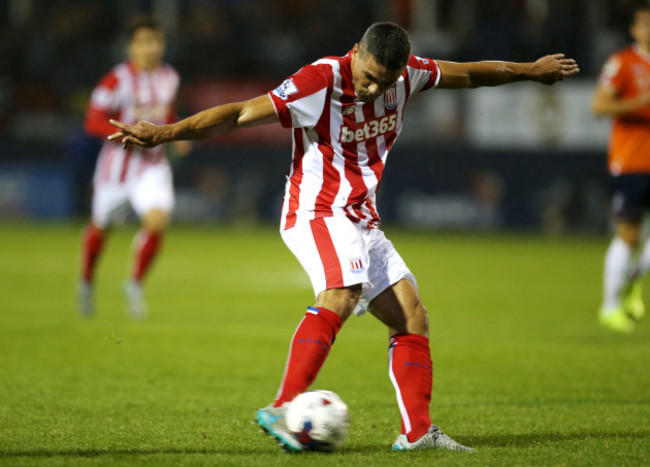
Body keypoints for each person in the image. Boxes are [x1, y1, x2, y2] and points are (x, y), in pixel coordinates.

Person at [108, 22, 579, 452]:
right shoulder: (320, 80)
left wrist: (529, 71)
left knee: (412, 315)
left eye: (384, 81)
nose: (374, 87)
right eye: (369, 76)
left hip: (360, 216)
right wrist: (167, 133)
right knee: (341, 290)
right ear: (355, 52)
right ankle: (283, 405)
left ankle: (417, 434)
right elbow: (238, 114)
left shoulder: (409, 74)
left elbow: (470, 74)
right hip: (314, 210)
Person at [78, 16, 191, 319]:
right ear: (131, 46)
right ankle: (86, 282)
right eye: (144, 42)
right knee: (102, 226)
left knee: (157, 222)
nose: (151, 48)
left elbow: (166, 108)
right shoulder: (115, 80)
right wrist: (124, 132)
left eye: (155, 41)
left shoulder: (170, 76)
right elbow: (92, 120)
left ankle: (134, 283)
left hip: (153, 167)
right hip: (117, 168)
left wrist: (176, 133)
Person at [593, 3, 650, 333]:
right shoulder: (622, 63)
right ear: (634, 29)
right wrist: (640, 102)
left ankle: (630, 282)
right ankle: (610, 307)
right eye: (645, 24)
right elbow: (599, 105)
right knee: (628, 235)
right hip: (631, 163)